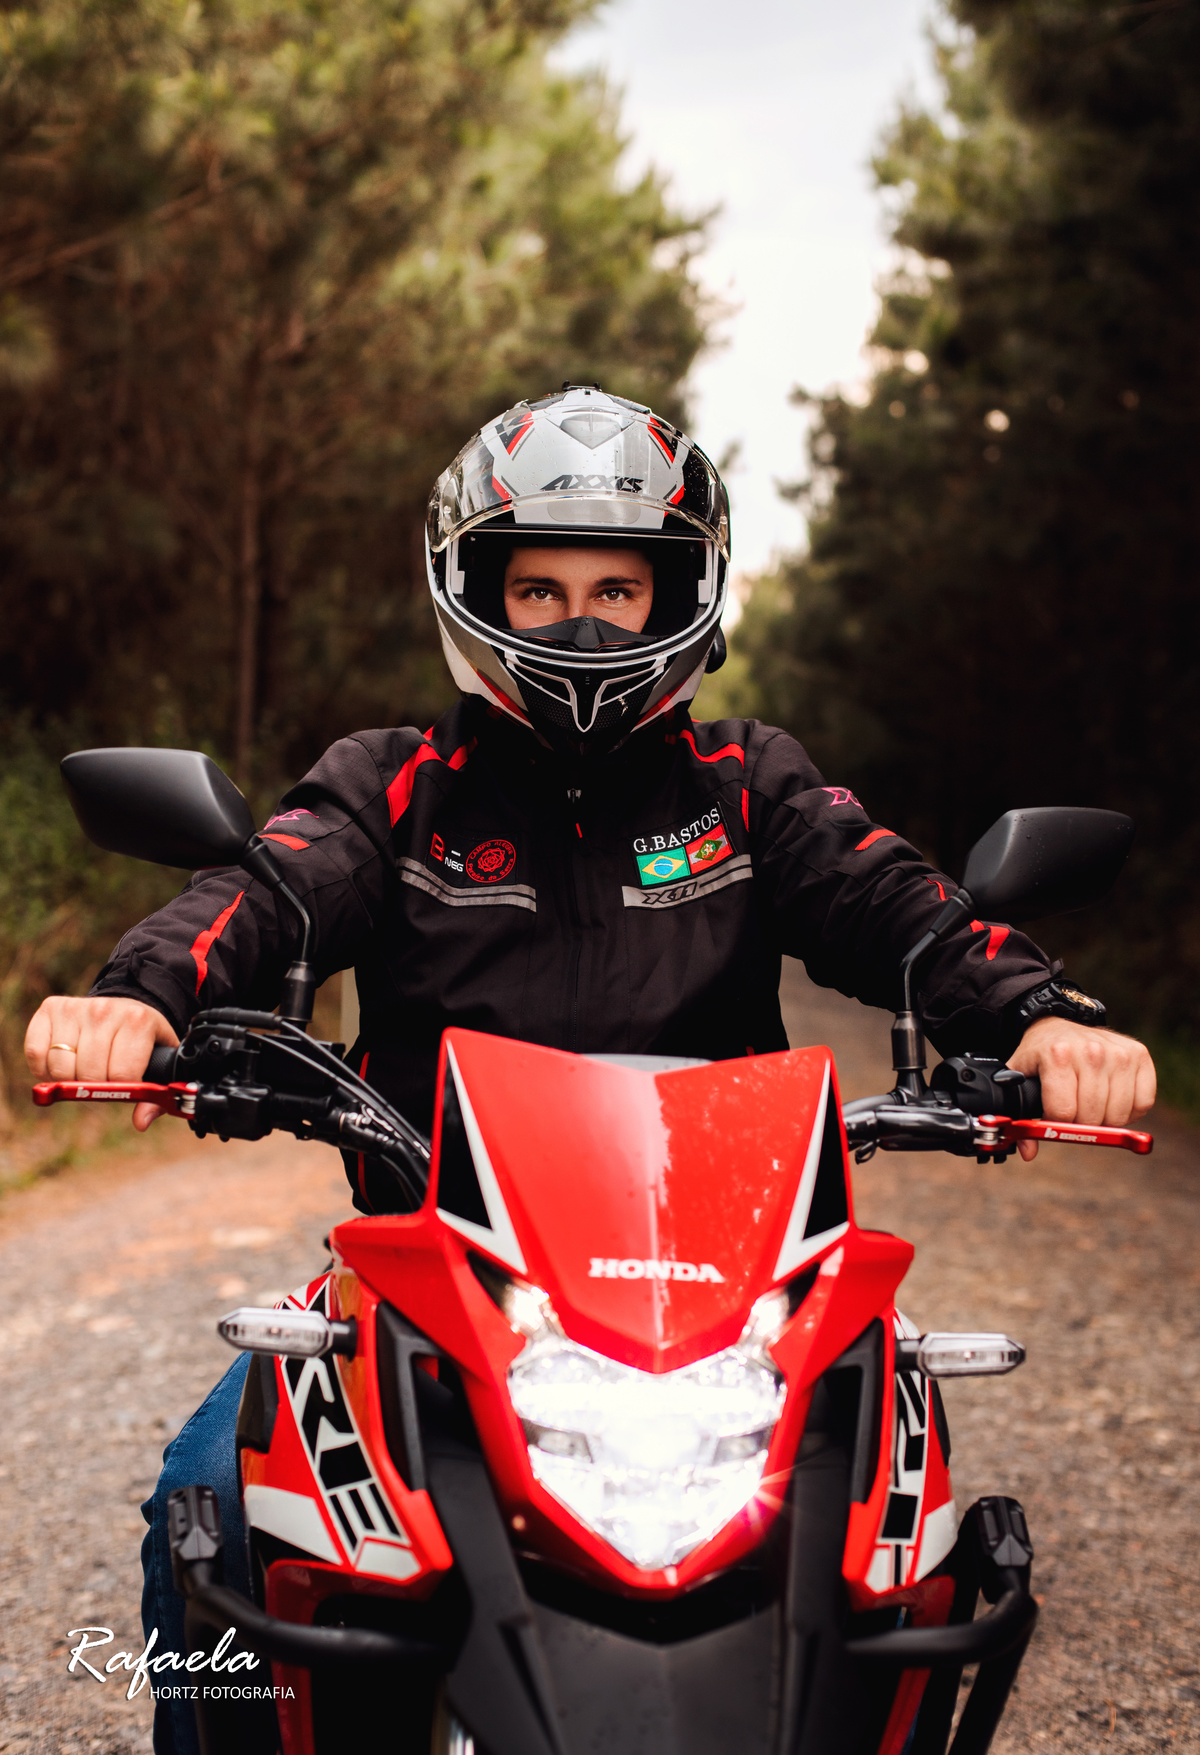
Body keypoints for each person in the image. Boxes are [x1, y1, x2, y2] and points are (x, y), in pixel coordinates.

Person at [25, 384, 1155, 1753]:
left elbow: (898, 904)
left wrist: (1038, 1019)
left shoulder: (749, 786)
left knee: (899, 1526)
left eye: (618, 589)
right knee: (211, 1488)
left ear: (679, 593)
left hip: (747, 1282)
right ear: (476, 592)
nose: (581, 624)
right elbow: (260, 894)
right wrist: (135, 999)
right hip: (431, 1270)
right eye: (541, 587)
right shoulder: (395, 785)